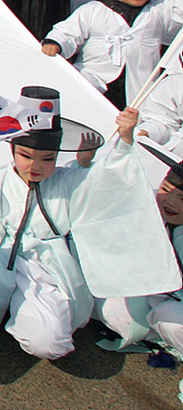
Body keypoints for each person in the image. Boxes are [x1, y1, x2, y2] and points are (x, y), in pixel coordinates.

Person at [0, 88, 154, 364]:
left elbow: (110, 188)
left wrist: (120, 143)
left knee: (49, 344)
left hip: (45, 270)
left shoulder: (69, 181)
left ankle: (24, 311)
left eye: (48, 159)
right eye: (27, 156)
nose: (35, 166)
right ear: (12, 149)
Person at [42, 0, 183, 110]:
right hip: (95, 79)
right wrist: (55, 43)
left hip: (139, 86)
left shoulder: (159, 11)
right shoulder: (93, 10)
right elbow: (66, 32)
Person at [98, 139, 183, 354]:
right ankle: (159, 339)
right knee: (114, 313)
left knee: (170, 319)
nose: (171, 201)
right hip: (144, 289)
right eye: (167, 189)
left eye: (182, 198)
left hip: (175, 304)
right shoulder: (144, 201)